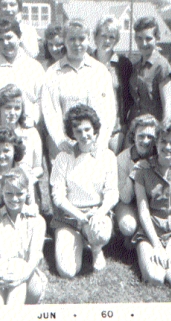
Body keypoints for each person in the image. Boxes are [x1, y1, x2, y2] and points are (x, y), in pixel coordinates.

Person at [50, 105, 118, 278]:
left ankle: (96, 248)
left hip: (95, 212)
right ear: (72, 133)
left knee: (100, 232)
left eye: (87, 129)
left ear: (95, 129)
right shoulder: (63, 157)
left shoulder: (107, 156)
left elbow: (112, 193)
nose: (83, 135)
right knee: (67, 271)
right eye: (78, 131)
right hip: (69, 216)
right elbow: (58, 197)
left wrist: (100, 213)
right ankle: (78, 240)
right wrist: (79, 216)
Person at [131, 117, 171, 289]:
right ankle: (147, 253)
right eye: (163, 141)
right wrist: (158, 246)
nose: (168, 147)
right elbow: (143, 212)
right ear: (156, 143)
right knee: (155, 278)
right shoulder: (142, 170)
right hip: (151, 230)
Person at [41, 18, 116, 164]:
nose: (77, 44)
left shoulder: (100, 71)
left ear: (89, 40)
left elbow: (109, 110)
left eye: (81, 38)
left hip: (94, 147)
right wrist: (60, 140)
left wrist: (101, 140)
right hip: (64, 148)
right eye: (72, 39)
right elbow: (49, 111)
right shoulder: (53, 73)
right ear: (64, 41)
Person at [0, 167, 46, 305]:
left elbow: (34, 257)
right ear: (2, 193)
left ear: (27, 192)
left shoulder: (37, 221)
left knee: (19, 265)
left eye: (19, 194)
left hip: (28, 280)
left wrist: (20, 277)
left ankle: (12, 319)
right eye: (9, 193)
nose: (14, 199)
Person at [0, 84, 43, 202]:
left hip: (23, 195)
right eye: (8, 107)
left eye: (17, 108)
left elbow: (38, 168)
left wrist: (23, 176)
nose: (12, 112)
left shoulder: (32, 134)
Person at [0, 18, 45, 127]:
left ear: (19, 37)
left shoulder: (35, 67)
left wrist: (33, 119)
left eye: (9, 37)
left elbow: (42, 98)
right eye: (1, 40)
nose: (5, 43)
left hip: (27, 127)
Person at [115, 115, 158, 248]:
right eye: (141, 136)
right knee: (127, 225)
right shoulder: (122, 158)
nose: (145, 141)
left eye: (150, 137)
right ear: (133, 136)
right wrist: (134, 172)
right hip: (130, 203)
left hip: (152, 202)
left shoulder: (160, 155)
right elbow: (125, 198)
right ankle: (130, 234)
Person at [93, 15, 133, 154]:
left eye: (112, 37)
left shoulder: (124, 64)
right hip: (92, 129)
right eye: (103, 36)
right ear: (95, 37)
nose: (107, 40)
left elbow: (128, 97)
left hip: (116, 130)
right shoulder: (87, 62)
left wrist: (124, 125)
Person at [128, 17, 171, 127]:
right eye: (139, 38)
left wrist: (165, 129)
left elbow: (167, 105)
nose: (143, 43)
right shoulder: (136, 66)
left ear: (156, 38)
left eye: (148, 38)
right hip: (134, 127)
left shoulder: (162, 65)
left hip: (153, 128)